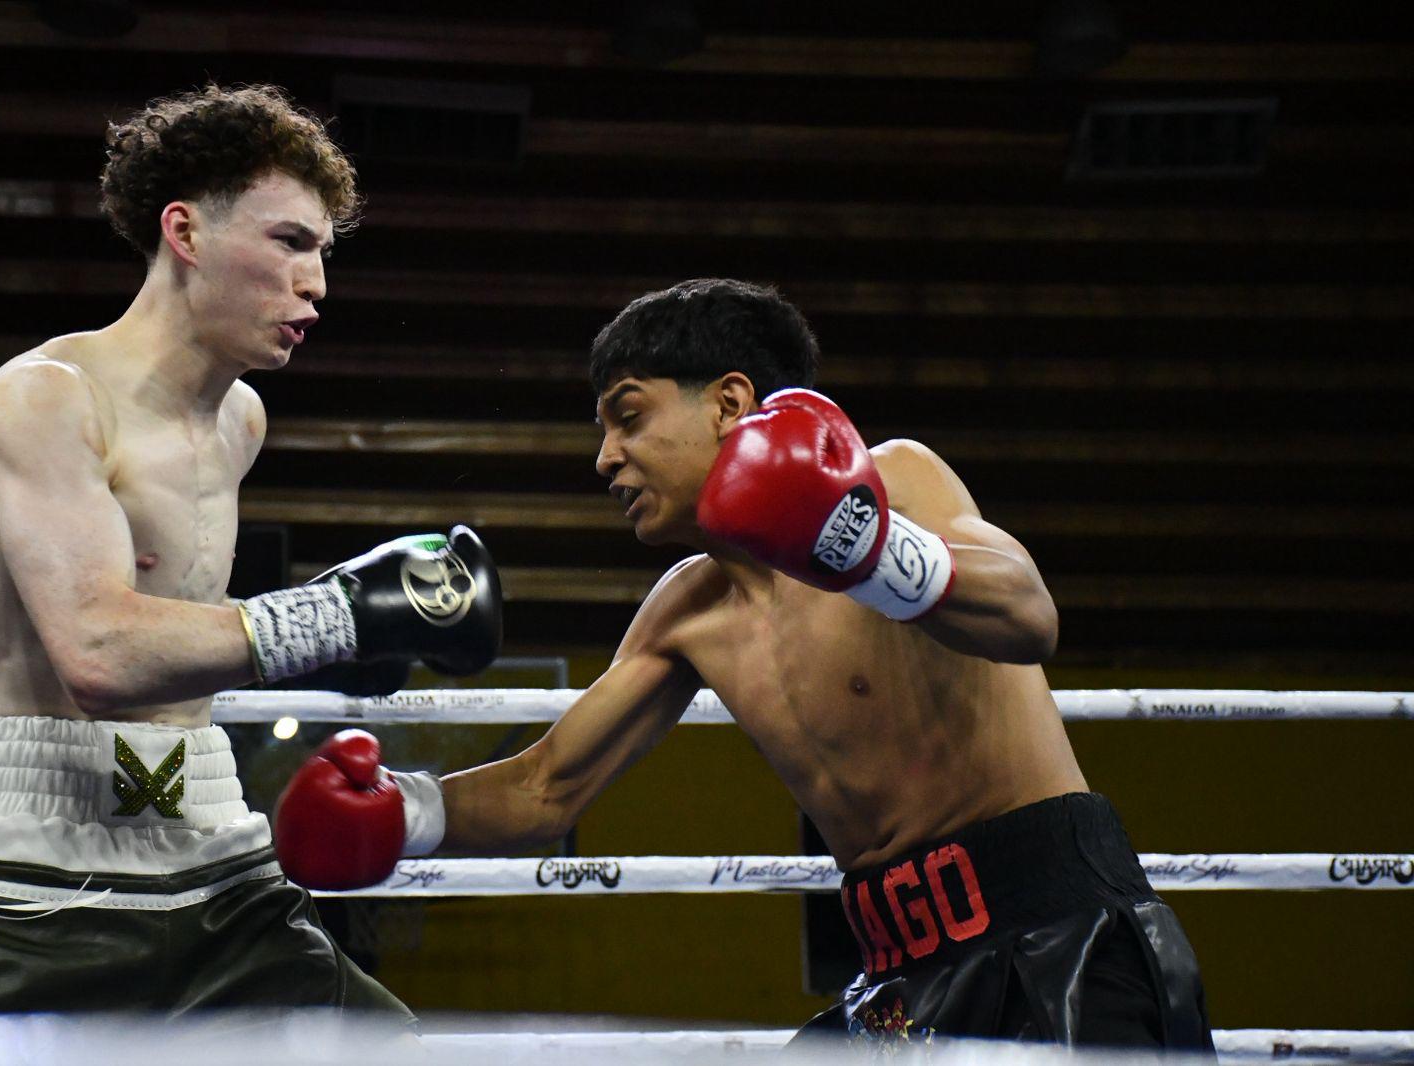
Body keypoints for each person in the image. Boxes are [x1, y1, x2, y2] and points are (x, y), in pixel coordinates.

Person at [272, 278, 1214, 1051]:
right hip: (897, 974)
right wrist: (404, 814)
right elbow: (545, 788)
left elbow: (1028, 615)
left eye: (628, 417)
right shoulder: (688, 609)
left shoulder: (892, 479)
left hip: (1057, 937)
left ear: (729, 403)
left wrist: (868, 549)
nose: (605, 459)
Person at [0, 83, 501, 1022]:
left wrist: (347, 637)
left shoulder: (240, 419)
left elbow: (190, 636)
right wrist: (339, 616)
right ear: (185, 232)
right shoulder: (47, 398)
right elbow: (98, 652)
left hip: (213, 860)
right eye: (290, 242)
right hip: (34, 874)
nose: (317, 283)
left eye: (323, 252)